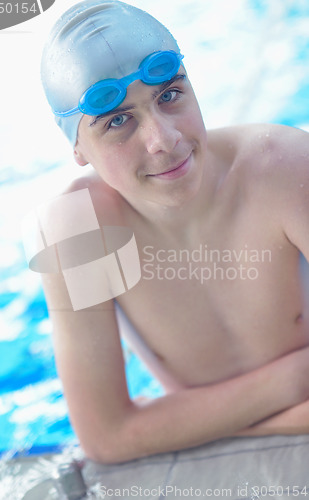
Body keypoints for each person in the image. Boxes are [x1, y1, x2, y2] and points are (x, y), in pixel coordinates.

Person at [38, 0, 309, 464]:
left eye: (169, 95)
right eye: (117, 121)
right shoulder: (78, 228)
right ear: (77, 147)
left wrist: (178, 427)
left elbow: (125, 433)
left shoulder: (283, 167)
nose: (164, 140)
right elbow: (106, 438)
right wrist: (297, 382)